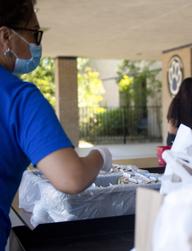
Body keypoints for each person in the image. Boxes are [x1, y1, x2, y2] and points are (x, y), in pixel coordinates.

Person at [0, 0, 111, 248]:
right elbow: (72, 177)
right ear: (6, 36)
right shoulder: (19, 97)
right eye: (34, 34)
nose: (37, 45)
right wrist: (100, 156)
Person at [166, 77, 192, 145]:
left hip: (191, 141)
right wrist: (189, 135)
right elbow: (172, 129)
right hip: (176, 140)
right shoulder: (176, 103)